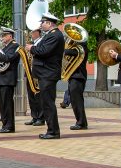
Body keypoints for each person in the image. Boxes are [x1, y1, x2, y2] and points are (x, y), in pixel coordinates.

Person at [25, 12, 65, 140]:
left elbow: (44, 51)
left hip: (48, 74)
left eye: (43, 22)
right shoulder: (50, 35)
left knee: (48, 104)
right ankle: (51, 130)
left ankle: (53, 131)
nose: (41, 25)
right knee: (46, 103)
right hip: (45, 74)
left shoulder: (55, 36)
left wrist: (31, 48)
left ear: (49, 23)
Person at [0, 27, 19, 133]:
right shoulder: (6, 47)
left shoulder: (15, 46)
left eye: (4, 36)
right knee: (3, 104)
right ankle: (5, 124)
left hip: (8, 78)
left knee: (7, 104)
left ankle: (9, 126)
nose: (2, 38)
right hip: (2, 78)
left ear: (10, 36)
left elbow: (7, 59)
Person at [64, 41, 88, 130]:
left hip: (79, 76)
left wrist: (63, 50)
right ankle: (81, 122)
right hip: (73, 76)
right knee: (74, 101)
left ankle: (81, 123)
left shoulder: (81, 47)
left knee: (77, 101)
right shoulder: (75, 48)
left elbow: (75, 53)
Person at [24, 28, 45, 127]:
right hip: (29, 72)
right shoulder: (31, 43)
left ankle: (41, 118)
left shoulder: (42, 42)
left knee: (38, 96)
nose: (31, 33)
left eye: (33, 32)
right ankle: (34, 116)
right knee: (31, 96)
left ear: (38, 32)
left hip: (38, 72)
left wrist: (31, 49)